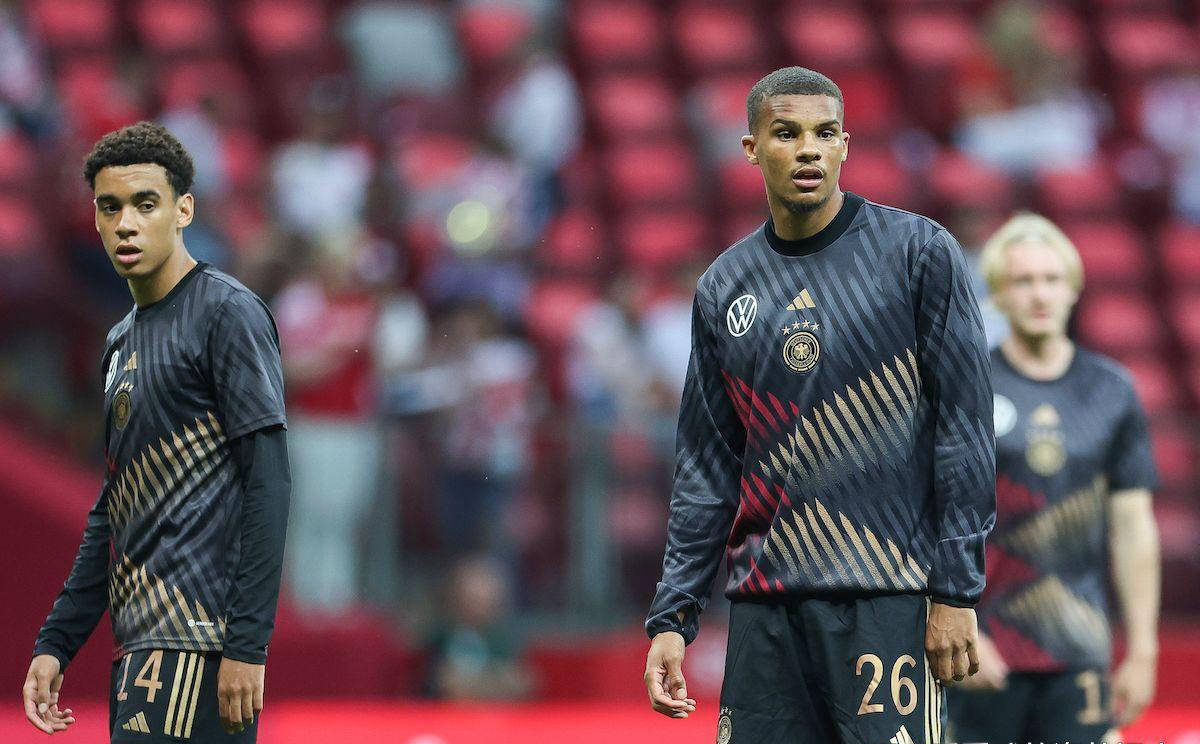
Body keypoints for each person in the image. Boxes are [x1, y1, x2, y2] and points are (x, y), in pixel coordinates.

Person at [642, 67, 996, 743]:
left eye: (825, 133)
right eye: (787, 134)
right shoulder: (724, 286)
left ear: (844, 146)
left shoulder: (918, 254)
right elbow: (707, 471)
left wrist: (956, 590)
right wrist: (673, 617)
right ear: (752, 149)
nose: (808, 148)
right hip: (765, 610)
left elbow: (964, 430)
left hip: (886, 596)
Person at [21, 122, 291, 742]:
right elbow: (114, 506)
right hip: (140, 647)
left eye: (146, 204)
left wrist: (247, 645)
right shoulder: (120, 341)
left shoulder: (227, 314)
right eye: (110, 207)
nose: (126, 224)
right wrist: (57, 642)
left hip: (201, 644)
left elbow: (269, 483)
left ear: (183, 210)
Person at [946, 214, 1161, 742]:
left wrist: (1143, 649)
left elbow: (1133, 528)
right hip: (984, 651)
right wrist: (954, 621)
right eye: (1023, 281)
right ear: (998, 293)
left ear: (1073, 288)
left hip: (1079, 648)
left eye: (1051, 279)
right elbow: (936, 513)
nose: (1039, 293)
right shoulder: (968, 386)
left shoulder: (1111, 390)